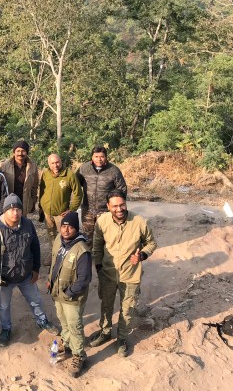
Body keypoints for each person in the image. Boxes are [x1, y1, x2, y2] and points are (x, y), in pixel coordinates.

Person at [0, 193, 59, 347]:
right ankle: (6, 329)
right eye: (11, 210)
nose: (15, 213)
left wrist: (36, 269)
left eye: (18, 209)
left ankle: (42, 320)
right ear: (4, 211)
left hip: (26, 275)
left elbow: (35, 247)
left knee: (35, 300)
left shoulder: (28, 224)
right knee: (4, 306)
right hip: (4, 279)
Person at [89, 189, 157, 357]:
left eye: (122, 205)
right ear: (108, 206)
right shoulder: (102, 221)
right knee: (106, 305)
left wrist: (142, 255)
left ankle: (122, 338)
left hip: (131, 275)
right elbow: (97, 245)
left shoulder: (139, 221)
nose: (119, 209)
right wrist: (98, 267)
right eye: (115, 206)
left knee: (127, 310)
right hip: (107, 273)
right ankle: (105, 333)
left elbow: (151, 243)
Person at [47, 212, 91, 378]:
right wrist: (50, 280)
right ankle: (66, 343)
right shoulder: (59, 240)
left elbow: (84, 279)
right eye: (63, 226)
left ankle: (79, 356)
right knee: (63, 322)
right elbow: (54, 262)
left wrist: (69, 292)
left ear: (76, 228)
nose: (66, 230)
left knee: (75, 326)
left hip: (72, 297)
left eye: (70, 227)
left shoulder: (82, 250)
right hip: (58, 293)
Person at [76, 146, 127, 243]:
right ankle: (89, 257)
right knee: (87, 238)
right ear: (92, 157)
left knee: (105, 238)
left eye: (102, 156)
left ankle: (105, 257)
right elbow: (75, 184)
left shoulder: (114, 171)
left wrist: (115, 207)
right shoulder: (84, 168)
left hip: (106, 211)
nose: (99, 159)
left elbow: (122, 189)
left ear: (106, 157)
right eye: (96, 156)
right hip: (88, 211)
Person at [38, 153, 83, 243]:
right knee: (51, 235)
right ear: (49, 164)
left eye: (57, 162)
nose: (55, 165)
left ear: (61, 161)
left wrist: (71, 209)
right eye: (52, 163)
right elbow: (42, 190)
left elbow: (78, 194)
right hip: (47, 212)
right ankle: (54, 254)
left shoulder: (69, 175)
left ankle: (64, 254)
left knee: (64, 236)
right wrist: (41, 207)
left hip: (61, 214)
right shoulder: (45, 174)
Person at [0, 140, 39, 215]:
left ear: (27, 152)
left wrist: (33, 201)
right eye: (18, 151)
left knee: (22, 223)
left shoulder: (33, 166)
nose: (20, 153)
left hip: (24, 201)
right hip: (8, 201)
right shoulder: (4, 165)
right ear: (14, 152)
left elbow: (34, 185)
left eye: (23, 151)